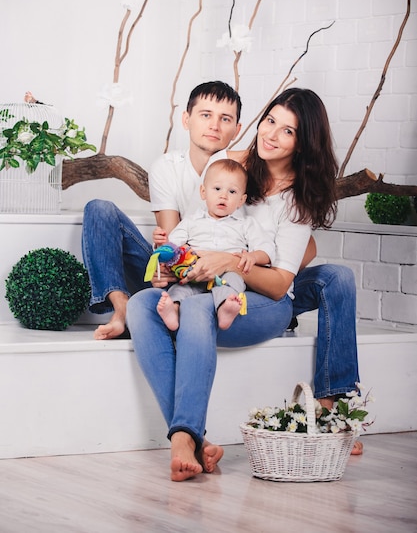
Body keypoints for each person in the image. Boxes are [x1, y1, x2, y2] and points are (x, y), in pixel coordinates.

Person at [126, 87, 361, 482]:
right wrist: (177, 259)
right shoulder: (231, 167)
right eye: (270, 120)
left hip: (262, 300)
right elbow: (201, 222)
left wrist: (231, 262)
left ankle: (184, 435)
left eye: (288, 131)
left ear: (303, 144)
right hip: (208, 284)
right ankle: (194, 440)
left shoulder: (298, 200)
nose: (271, 134)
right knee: (142, 304)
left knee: (334, 277)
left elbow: (279, 283)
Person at [81, 81, 244, 340]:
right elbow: (170, 242)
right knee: (99, 209)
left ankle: (177, 310)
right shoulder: (167, 167)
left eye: (225, 119)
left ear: (236, 129)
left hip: (220, 281)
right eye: (205, 115)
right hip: (177, 271)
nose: (214, 125)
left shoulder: (243, 174)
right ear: (186, 119)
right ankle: (121, 309)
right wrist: (163, 265)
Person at [152, 158, 274, 331]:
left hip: (227, 272)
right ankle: (174, 310)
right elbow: (174, 244)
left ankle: (226, 308)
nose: (223, 195)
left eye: (232, 191)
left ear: (241, 200)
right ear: (203, 192)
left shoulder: (246, 224)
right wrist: (162, 243)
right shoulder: (191, 221)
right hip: (196, 272)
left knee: (232, 282)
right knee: (181, 288)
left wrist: (253, 256)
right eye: (217, 189)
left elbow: (267, 250)